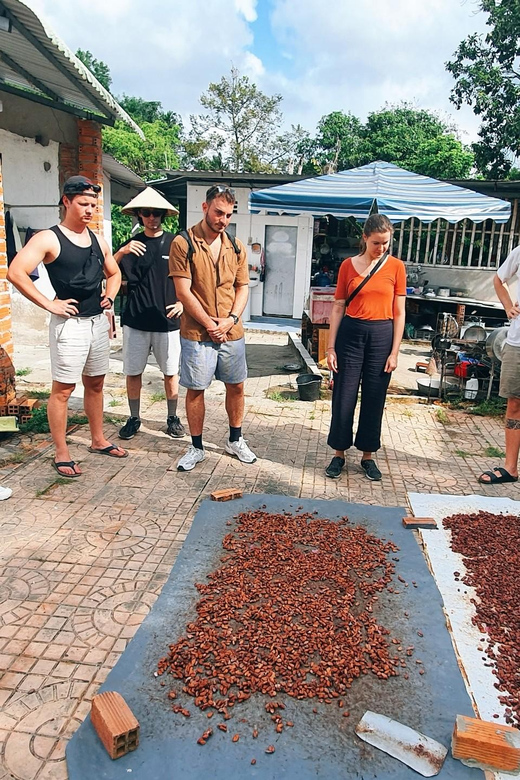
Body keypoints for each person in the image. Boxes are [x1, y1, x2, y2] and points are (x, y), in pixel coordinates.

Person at [7, 175, 127, 477]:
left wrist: (109, 297)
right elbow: (16, 272)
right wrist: (50, 303)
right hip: (68, 324)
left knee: (96, 383)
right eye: (83, 204)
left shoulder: (97, 239)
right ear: (66, 202)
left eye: (93, 205)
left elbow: (113, 273)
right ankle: (61, 451)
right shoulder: (49, 238)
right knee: (63, 390)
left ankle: (98, 439)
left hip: (97, 323)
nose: (89, 210)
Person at [169, 184, 257, 472]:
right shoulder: (184, 243)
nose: (223, 220)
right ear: (205, 207)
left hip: (231, 330)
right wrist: (210, 324)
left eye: (229, 215)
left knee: (237, 385)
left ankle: (235, 439)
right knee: (196, 389)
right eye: (219, 212)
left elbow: (243, 287)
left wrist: (230, 319)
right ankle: (196, 447)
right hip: (197, 333)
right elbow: (183, 291)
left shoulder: (236, 246)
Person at [325, 214, 406, 481]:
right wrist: (331, 348)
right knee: (344, 396)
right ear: (364, 238)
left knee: (374, 397)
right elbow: (338, 306)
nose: (381, 248)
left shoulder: (396, 267)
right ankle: (339, 453)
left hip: (382, 335)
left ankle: (368, 455)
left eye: (385, 243)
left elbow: (399, 311)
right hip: (351, 334)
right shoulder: (348, 266)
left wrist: (395, 352)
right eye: (376, 243)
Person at [114, 187, 186, 441]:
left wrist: (183, 304)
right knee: (133, 372)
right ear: (139, 215)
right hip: (135, 320)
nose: (152, 218)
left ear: (163, 216)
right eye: (147, 213)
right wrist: (122, 252)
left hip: (168, 321)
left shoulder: (176, 243)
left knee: (170, 373)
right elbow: (108, 272)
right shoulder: (131, 245)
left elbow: (193, 277)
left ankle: (172, 417)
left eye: (157, 214)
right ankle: (134, 418)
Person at [478, 248, 520, 485]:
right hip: (517, 342)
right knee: (515, 402)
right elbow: (498, 279)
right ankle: (510, 468)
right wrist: (507, 306)